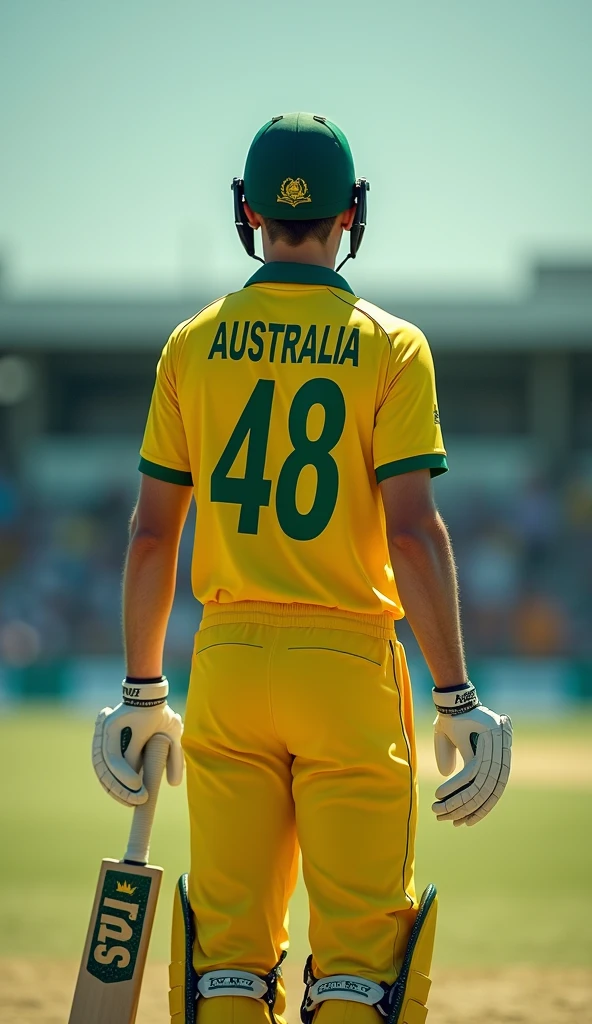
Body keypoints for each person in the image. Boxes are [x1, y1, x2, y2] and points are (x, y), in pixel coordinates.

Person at [92, 113, 512, 1024]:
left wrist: (138, 690)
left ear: (246, 211)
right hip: (348, 668)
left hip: (229, 664)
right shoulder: (391, 346)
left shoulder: (191, 343)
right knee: (362, 963)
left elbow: (154, 537)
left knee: (228, 961)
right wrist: (456, 696)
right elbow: (411, 534)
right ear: (351, 213)